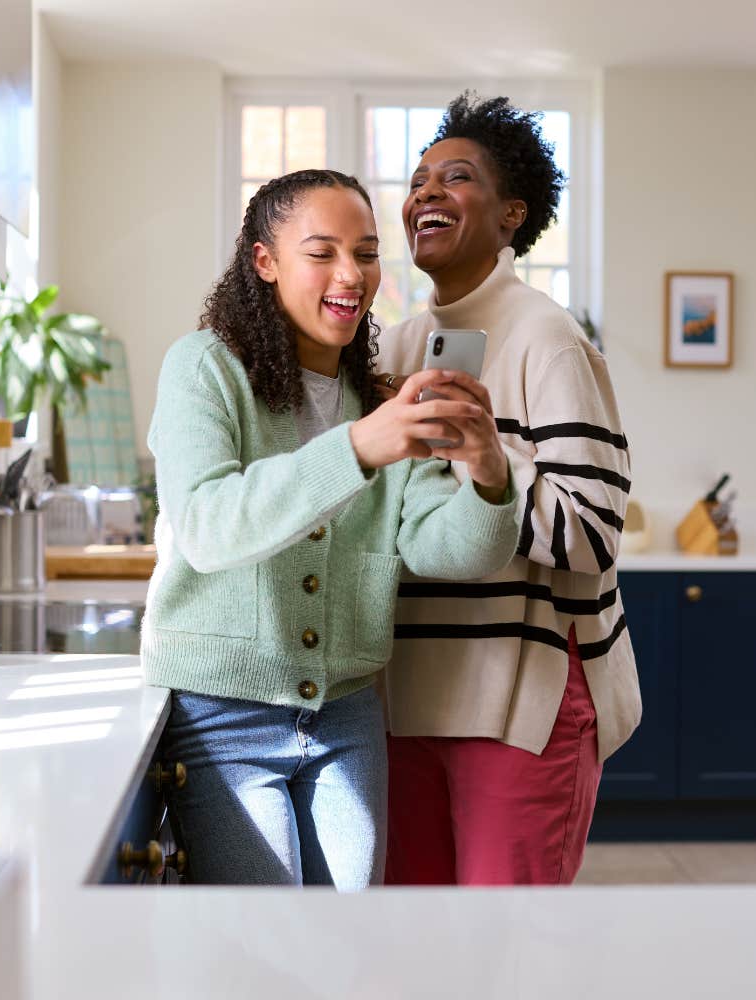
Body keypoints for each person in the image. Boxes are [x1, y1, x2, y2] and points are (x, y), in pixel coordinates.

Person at [141, 168, 521, 890]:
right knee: (270, 943)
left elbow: (451, 550)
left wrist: (488, 470)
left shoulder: (375, 399)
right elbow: (206, 526)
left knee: (348, 942)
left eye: (368, 252)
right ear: (265, 261)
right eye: (322, 252)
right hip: (222, 719)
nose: (352, 274)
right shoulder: (204, 369)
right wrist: (357, 448)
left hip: (345, 716)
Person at [376, 94, 641, 886]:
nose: (425, 191)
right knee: (420, 954)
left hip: (518, 706)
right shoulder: (394, 346)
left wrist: (489, 465)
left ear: (510, 216)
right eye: (418, 179)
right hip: (404, 700)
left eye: (455, 178)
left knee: (505, 957)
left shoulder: (547, 338)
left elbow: (595, 535)